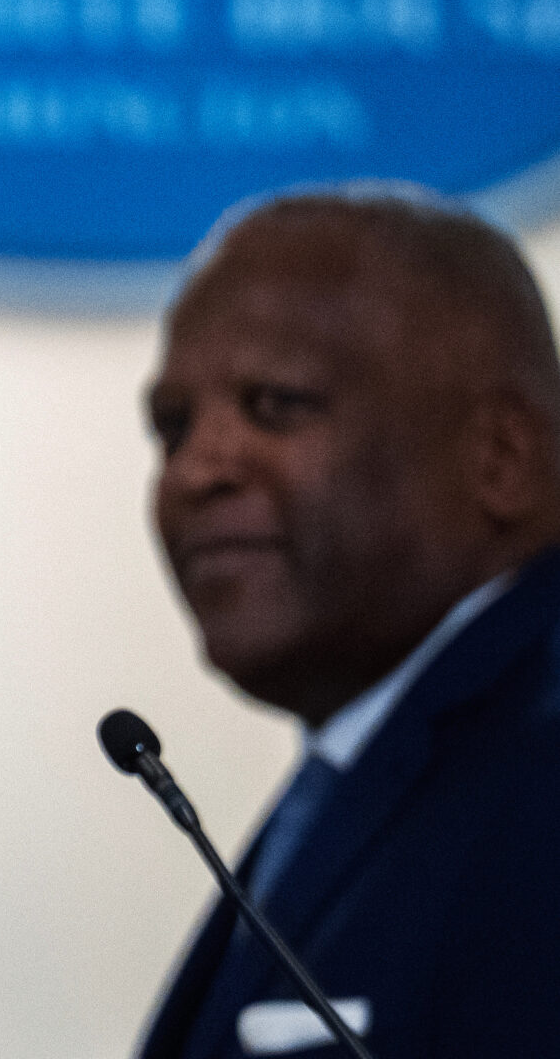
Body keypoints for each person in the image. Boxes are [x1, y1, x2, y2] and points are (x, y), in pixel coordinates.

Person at [137, 186, 560, 1058]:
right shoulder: (366, 760)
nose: (195, 470)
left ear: (501, 457)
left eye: (276, 404)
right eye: (172, 427)